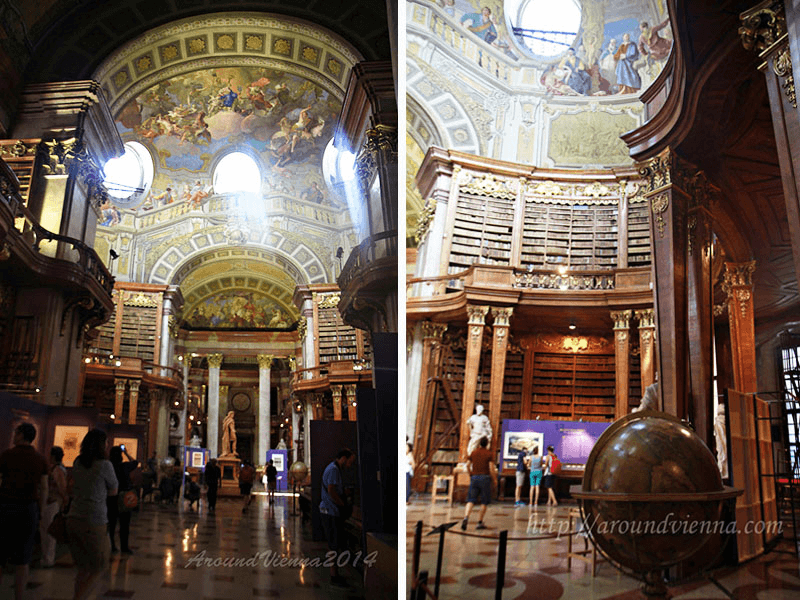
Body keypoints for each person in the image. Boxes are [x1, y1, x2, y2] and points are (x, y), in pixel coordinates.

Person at [67, 429, 118, 600]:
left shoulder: (78, 462)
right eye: (106, 443)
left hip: (73, 516)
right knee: (100, 567)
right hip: (94, 520)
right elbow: (114, 490)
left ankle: (77, 594)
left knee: (82, 568)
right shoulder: (105, 465)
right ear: (101, 445)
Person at [0, 422, 48, 600]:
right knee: (23, 558)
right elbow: (44, 488)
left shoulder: (7, 455)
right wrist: (41, 511)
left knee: (1, 555)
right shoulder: (40, 459)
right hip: (28, 509)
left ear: (21, 435)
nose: (14, 435)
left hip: (6, 506)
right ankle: (19, 596)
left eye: (16, 432)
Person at [320, 448, 356, 588]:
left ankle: (335, 573)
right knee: (333, 544)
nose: (349, 465)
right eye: (349, 462)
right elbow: (331, 491)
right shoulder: (334, 469)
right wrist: (343, 504)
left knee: (334, 543)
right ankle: (334, 575)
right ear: (343, 458)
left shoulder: (333, 468)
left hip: (329, 510)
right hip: (330, 511)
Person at [40, 446, 69, 568]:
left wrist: (64, 499)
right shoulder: (59, 469)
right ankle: (47, 557)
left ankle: (48, 558)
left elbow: (61, 487)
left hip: (52, 502)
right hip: (53, 501)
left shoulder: (57, 470)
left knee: (48, 532)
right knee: (47, 531)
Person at [107, 445, 138, 554]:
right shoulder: (124, 466)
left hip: (111, 497)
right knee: (124, 524)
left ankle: (112, 546)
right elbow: (135, 462)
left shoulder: (109, 466)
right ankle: (124, 547)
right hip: (124, 498)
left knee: (111, 523)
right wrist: (126, 453)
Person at [461, 436, 496, 530]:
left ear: (479, 443)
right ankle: (479, 522)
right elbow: (491, 468)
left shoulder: (474, 452)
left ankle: (466, 517)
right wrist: (495, 479)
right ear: (487, 444)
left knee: (471, 500)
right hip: (485, 478)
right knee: (484, 501)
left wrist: (471, 474)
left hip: (474, 477)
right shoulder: (489, 454)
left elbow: (468, 465)